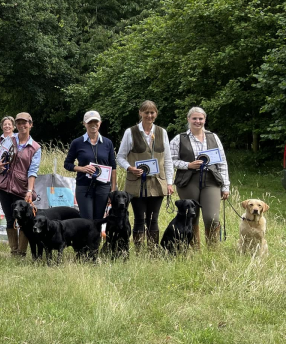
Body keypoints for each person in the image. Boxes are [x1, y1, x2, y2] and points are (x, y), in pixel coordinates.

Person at [116, 100, 174, 250]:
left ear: (156, 114)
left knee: (153, 219)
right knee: (139, 219)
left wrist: (169, 182)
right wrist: (130, 168)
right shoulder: (131, 132)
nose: (149, 115)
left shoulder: (162, 132)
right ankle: (139, 249)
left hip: (157, 182)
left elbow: (167, 159)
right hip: (136, 183)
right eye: (146, 112)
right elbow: (120, 157)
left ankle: (153, 251)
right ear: (140, 113)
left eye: (152, 112)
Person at [170, 107, 230, 249]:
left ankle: (212, 250)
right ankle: (193, 249)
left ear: (204, 120)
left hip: (211, 181)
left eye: (201, 118)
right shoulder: (180, 138)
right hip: (188, 181)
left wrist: (225, 186)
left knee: (212, 218)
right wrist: (188, 165)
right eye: (194, 118)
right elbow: (169, 160)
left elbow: (222, 162)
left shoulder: (213, 137)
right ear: (188, 119)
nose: (198, 121)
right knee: (191, 216)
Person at [0, 112, 40, 257]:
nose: (21, 125)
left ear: (30, 124)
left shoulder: (35, 148)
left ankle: (22, 252)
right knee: (10, 218)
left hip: (22, 188)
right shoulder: (8, 140)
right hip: (4, 185)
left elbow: (33, 171)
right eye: (18, 123)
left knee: (24, 220)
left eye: (25, 123)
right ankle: (14, 251)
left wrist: (29, 190)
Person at [64, 111, 117, 220]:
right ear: (84, 123)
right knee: (86, 220)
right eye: (90, 122)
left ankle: (97, 238)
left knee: (98, 221)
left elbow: (113, 167)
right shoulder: (77, 143)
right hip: (84, 187)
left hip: (103, 188)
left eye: (96, 122)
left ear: (100, 123)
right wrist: (82, 169)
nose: (93, 124)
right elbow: (67, 164)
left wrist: (113, 190)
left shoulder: (108, 143)